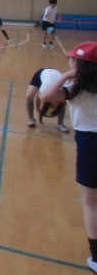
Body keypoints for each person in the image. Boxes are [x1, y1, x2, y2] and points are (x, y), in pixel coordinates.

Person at [39, 41, 97, 273]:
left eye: (72, 59)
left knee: (91, 202)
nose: (69, 60)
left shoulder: (75, 89)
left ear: (79, 65)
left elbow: (45, 95)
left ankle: (96, 258)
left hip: (90, 143)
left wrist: (65, 76)